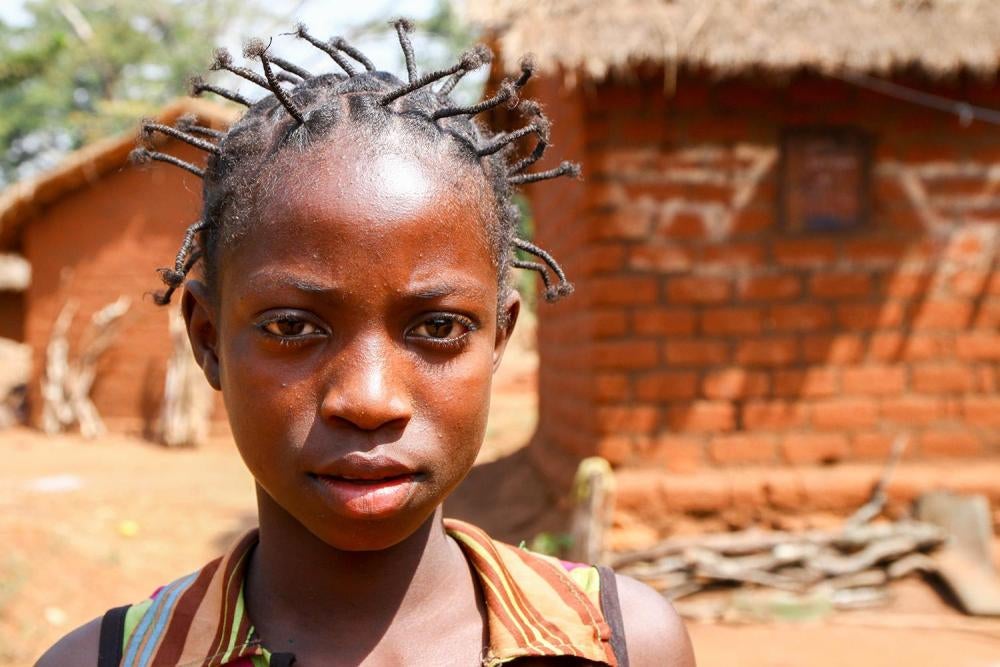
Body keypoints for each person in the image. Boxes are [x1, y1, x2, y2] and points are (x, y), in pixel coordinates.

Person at [37, 19, 695, 667]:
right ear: (208, 341)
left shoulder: (618, 643)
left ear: (498, 338)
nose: (369, 399)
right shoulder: (112, 659)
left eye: (438, 327)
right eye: (292, 327)